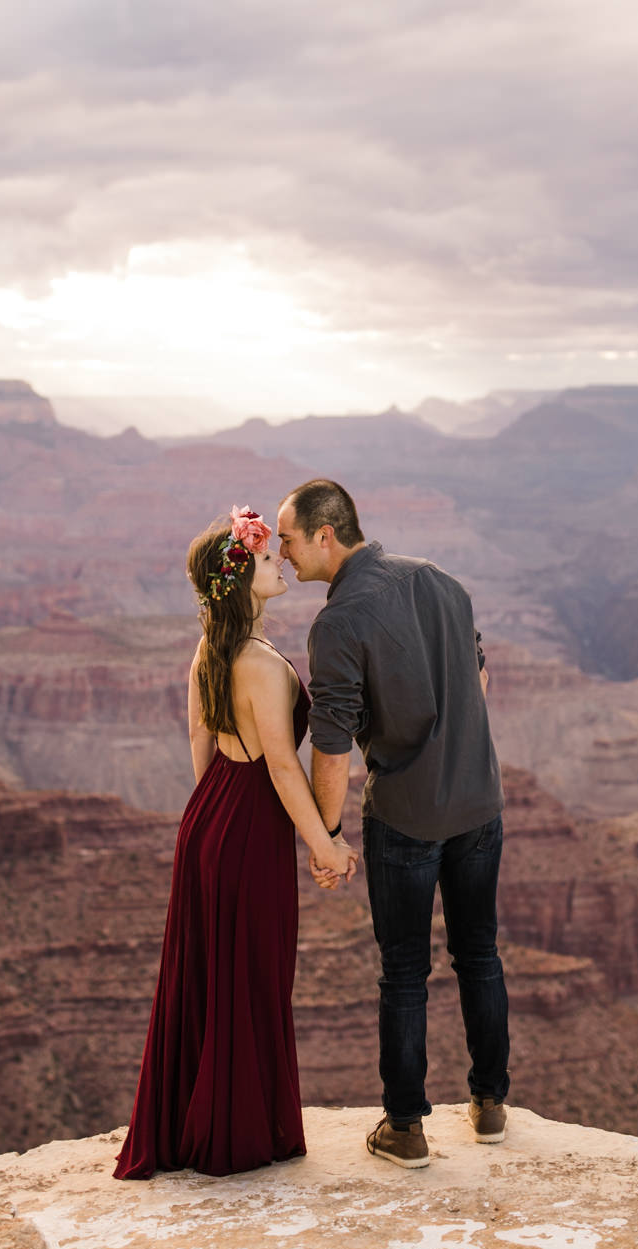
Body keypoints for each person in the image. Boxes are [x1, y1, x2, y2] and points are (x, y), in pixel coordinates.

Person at [114, 505, 360, 1180]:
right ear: (240, 581)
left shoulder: (209, 652)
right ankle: (239, 1132)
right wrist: (327, 846)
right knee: (251, 977)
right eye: (262, 557)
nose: (276, 559)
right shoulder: (258, 662)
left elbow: (199, 741)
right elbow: (282, 766)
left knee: (208, 979)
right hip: (249, 829)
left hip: (208, 821)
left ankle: (205, 1122)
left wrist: (214, 818)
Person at [275, 479, 510, 1170]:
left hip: (406, 819)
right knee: (480, 954)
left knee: (405, 971)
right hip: (478, 804)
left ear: (326, 533)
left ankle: (406, 1128)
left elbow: (331, 743)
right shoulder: (439, 579)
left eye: (288, 539)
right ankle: (490, 1104)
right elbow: (479, 677)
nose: (282, 553)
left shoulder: (340, 621)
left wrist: (329, 834)